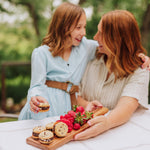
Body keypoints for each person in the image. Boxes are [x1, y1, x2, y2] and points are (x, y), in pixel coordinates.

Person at [18, 2, 150, 120]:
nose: (84, 32)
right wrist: (35, 98)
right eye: (78, 27)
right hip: (47, 104)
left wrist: (139, 55)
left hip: (67, 108)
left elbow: (116, 47)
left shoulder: (86, 47)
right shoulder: (41, 53)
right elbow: (36, 85)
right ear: (64, 27)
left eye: (84, 27)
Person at [74, 10, 150, 140]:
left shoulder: (140, 69)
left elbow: (126, 106)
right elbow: (76, 95)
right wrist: (86, 104)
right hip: (87, 132)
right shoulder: (93, 61)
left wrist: (107, 122)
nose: (95, 37)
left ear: (118, 39)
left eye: (101, 33)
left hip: (125, 138)